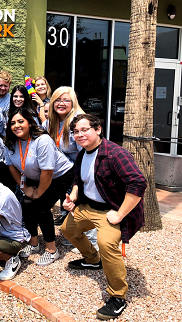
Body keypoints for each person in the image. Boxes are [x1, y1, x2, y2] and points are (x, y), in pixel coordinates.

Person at [62, 114, 146, 320]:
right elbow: (77, 180)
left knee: (106, 243)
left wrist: (120, 214)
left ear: (98, 129)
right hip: (88, 207)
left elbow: (138, 183)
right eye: (76, 132)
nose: (80, 135)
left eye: (84, 130)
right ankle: (92, 260)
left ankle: (118, 296)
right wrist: (72, 197)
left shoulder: (115, 154)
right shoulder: (83, 153)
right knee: (67, 229)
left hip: (111, 210)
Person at [4, 108, 74, 266]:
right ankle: (34, 244)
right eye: (13, 123)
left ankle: (51, 250)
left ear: (29, 122)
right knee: (27, 204)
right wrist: (25, 189)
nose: (17, 125)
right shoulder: (9, 142)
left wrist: (38, 193)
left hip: (60, 175)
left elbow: (48, 172)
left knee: (41, 207)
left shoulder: (42, 140)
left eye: (21, 121)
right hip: (36, 175)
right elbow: (12, 168)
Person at [44, 86, 86, 226]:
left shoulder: (78, 122)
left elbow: (86, 154)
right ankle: (70, 228)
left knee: (75, 203)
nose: (61, 103)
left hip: (78, 170)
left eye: (66, 100)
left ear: (73, 102)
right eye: (57, 100)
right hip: (62, 170)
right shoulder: (50, 122)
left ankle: (81, 236)